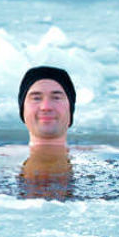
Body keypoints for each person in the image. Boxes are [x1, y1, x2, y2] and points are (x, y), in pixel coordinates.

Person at [16, 66, 76, 199]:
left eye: (56, 97)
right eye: (36, 98)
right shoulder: (0, 157)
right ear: (23, 109)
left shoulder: (105, 157)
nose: (46, 107)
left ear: (70, 108)